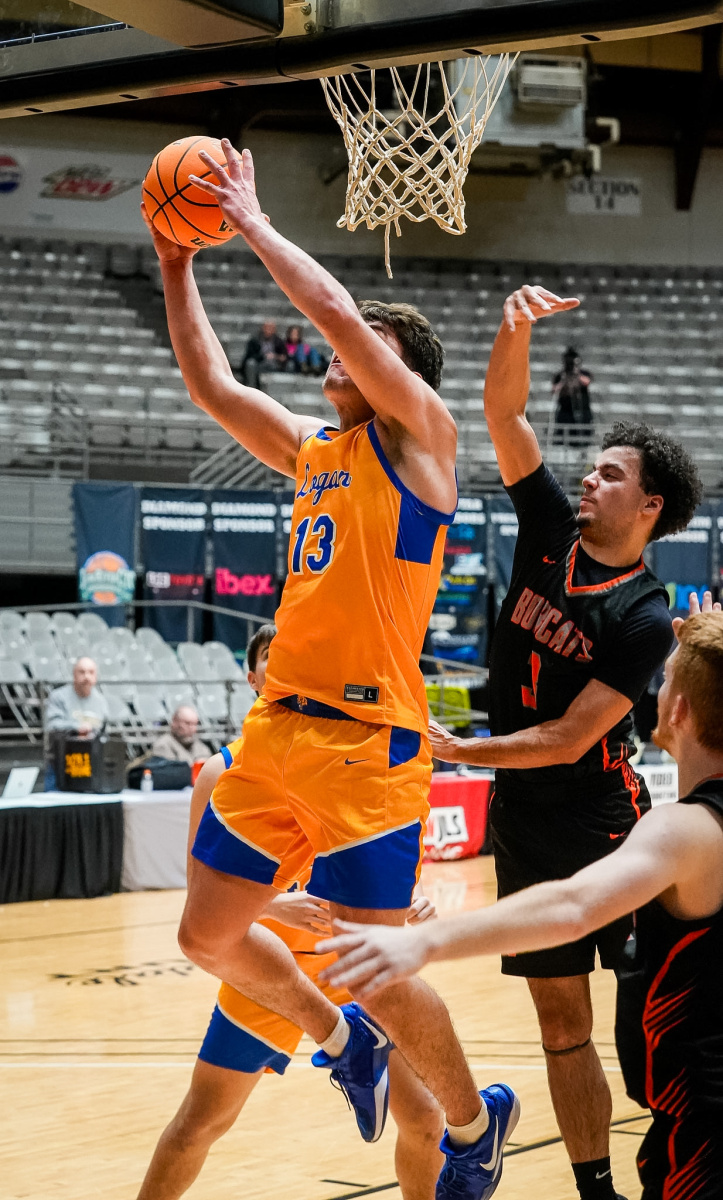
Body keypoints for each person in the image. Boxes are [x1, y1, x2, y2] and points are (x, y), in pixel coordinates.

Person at [142, 139, 517, 1200]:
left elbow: (340, 315)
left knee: (375, 971)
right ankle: (335, 1040)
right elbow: (211, 385)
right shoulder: (315, 449)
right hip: (277, 730)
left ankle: (472, 1121)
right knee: (206, 933)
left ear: (401, 377)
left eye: (367, 351)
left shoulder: (426, 440)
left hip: (366, 745)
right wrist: (175, 260)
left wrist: (251, 220)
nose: (339, 354)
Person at [411, 284, 701, 1200]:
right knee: (560, 1030)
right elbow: (503, 414)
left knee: (644, 1029)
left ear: (649, 505)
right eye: (591, 468)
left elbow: (572, 739)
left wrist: (457, 751)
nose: (587, 478)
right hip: (524, 822)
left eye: (609, 474)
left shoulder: (644, 614)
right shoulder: (546, 529)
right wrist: (513, 330)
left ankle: (680, 1164)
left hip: (604, 820)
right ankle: (594, 1191)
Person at [320, 596, 723, 1200]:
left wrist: (423, 942)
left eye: (665, 679)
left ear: (681, 710)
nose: (655, 688)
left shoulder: (684, 832)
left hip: (703, 1150)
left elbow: (571, 907)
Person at [136, 622, 444, 1200]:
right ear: (253, 677)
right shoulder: (221, 771)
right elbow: (201, 896)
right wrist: (279, 906)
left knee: (427, 1120)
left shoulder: (352, 755)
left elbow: (383, 858)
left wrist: (410, 900)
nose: (284, 664)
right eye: (270, 657)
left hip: (355, 966)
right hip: (271, 972)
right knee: (201, 1123)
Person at [45, 655, 108, 790]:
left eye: (91, 672)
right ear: (74, 675)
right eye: (82, 672)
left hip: (90, 766)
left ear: (96, 676)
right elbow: (52, 725)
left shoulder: (101, 701)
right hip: (61, 764)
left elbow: (103, 730)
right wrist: (77, 727)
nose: (86, 676)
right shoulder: (58, 696)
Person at [552, 346, 594, 445]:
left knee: (583, 430)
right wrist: (564, 379)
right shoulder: (560, 375)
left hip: (582, 407)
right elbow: (554, 390)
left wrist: (576, 373)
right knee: (562, 432)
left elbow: (587, 382)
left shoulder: (583, 373)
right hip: (565, 408)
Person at [240, 319, 287, 388]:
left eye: (271, 328)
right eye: (267, 327)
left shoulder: (279, 341)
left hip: (274, 364)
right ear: (263, 328)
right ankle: (252, 387)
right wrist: (264, 356)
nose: (268, 330)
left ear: (274, 330)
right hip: (260, 364)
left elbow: (284, 356)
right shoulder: (254, 340)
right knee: (250, 363)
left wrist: (275, 356)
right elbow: (250, 356)